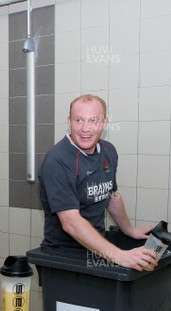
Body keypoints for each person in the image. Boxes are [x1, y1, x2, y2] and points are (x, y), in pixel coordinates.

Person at [38, 94, 158, 271]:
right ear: (69, 121)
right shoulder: (57, 160)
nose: (85, 128)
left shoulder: (108, 151)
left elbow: (111, 196)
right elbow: (70, 222)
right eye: (79, 120)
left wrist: (128, 230)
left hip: (98, 250)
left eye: (93, 120)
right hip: (64, 258)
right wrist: (121, 256)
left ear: (104, 122)